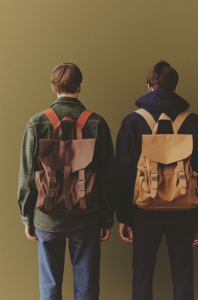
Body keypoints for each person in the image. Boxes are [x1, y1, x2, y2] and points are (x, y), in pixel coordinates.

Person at [115, 60, 198, 300]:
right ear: (176, 88)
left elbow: (123, 172)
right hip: (184, 209)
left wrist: (125, 216)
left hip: (143, 209)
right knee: (182, 274)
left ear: (149, 87)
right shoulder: (194, 121)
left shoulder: (132, 121)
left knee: (141, 274)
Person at [17, 63, 115, 300]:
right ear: (80, 86)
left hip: (46, 217)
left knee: (49, 288)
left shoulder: (36, 123)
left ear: (53, 87)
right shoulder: (97, 123)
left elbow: (28, 175)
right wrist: (107, 218)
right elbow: (107, 176)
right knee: (87, 288)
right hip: (87, 216)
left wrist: (27, 216)